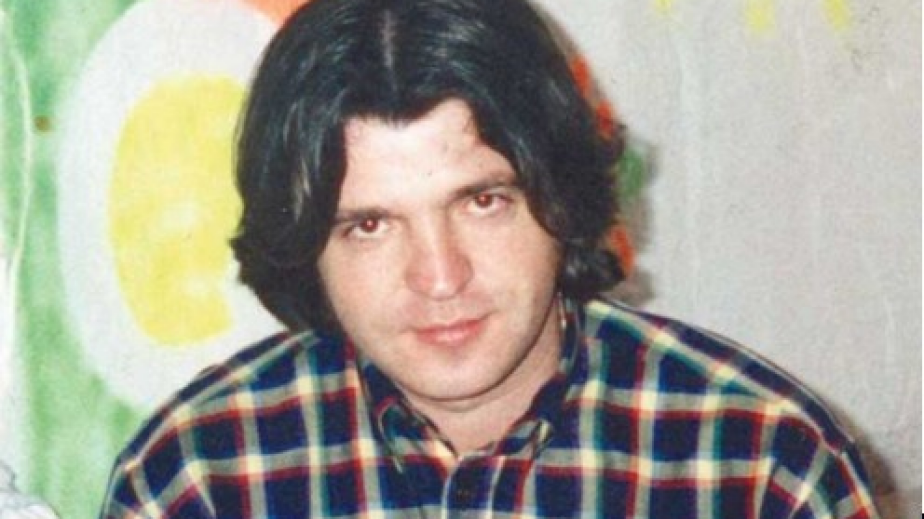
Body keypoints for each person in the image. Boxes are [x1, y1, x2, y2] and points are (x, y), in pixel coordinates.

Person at [99, 0, 881, 516]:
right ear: (307, 248)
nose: (440, 277)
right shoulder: (194, 480)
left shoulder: (763, 467)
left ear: (559, 194)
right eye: (370, 225)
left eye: (482, 201)